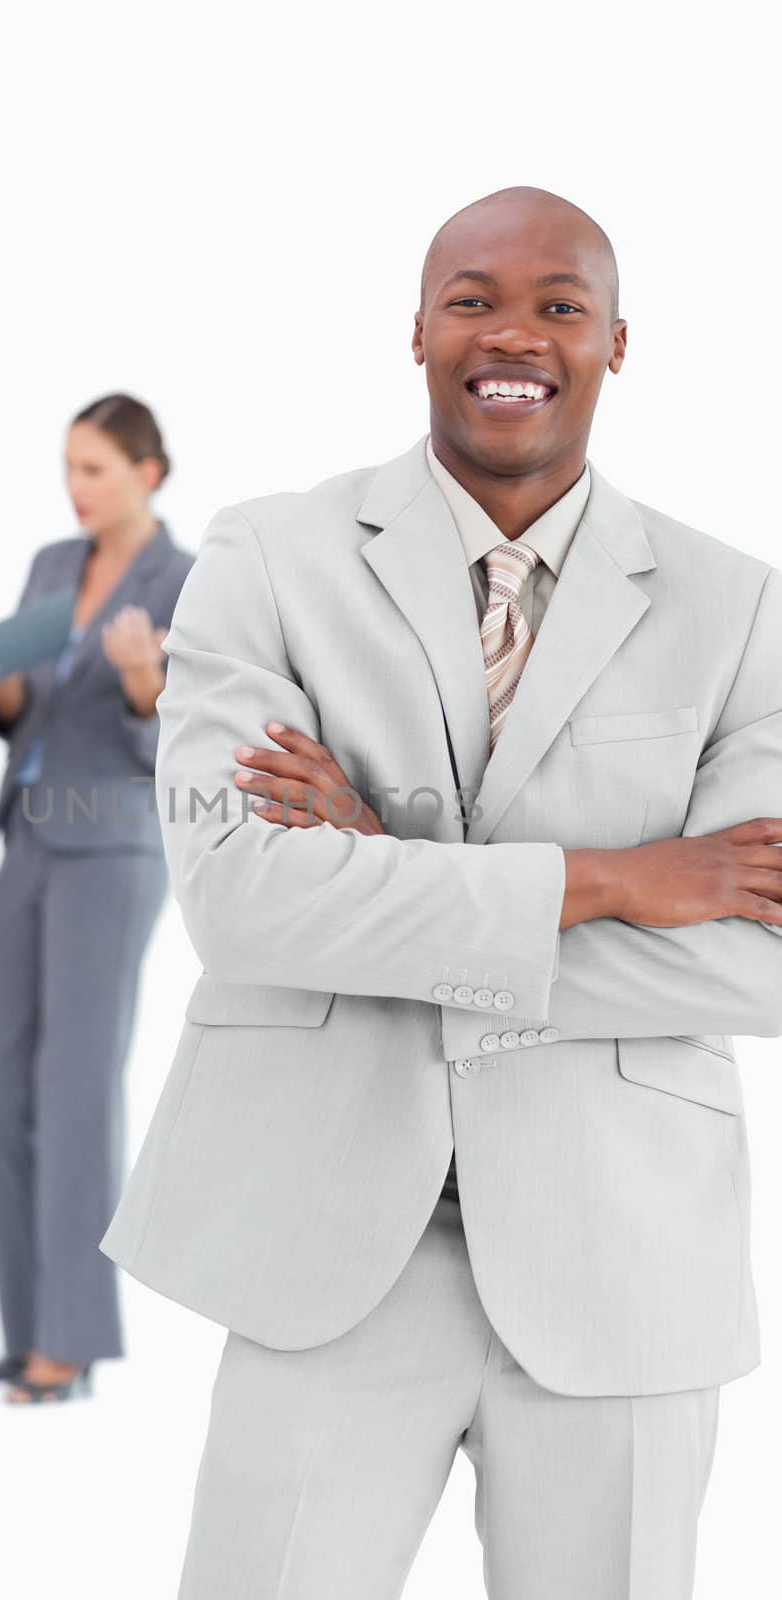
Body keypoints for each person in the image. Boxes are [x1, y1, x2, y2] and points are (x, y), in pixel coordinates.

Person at [100, 188, 782, 1597]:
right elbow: (237, 903)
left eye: (557, 304)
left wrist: (384, 878)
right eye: (470, 298)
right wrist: (614, 881)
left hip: (622, 1263)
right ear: (414, 330)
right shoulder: (266, 556)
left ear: (615, 342)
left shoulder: (739, 609)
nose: (511, 333)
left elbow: (754, 961)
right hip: (323, 1249)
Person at [0, 394, 194, 1405]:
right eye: (69, 467)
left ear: (147, 472)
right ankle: (26, 1329)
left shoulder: (184, 580)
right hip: (26, 830)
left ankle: (70, 1343)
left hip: (111, 843)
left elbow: (183, 730)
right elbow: (22, 709)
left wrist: (148, 683)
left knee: (74, 1088)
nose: (77, 487)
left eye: (95, 468)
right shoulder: (50, 567)